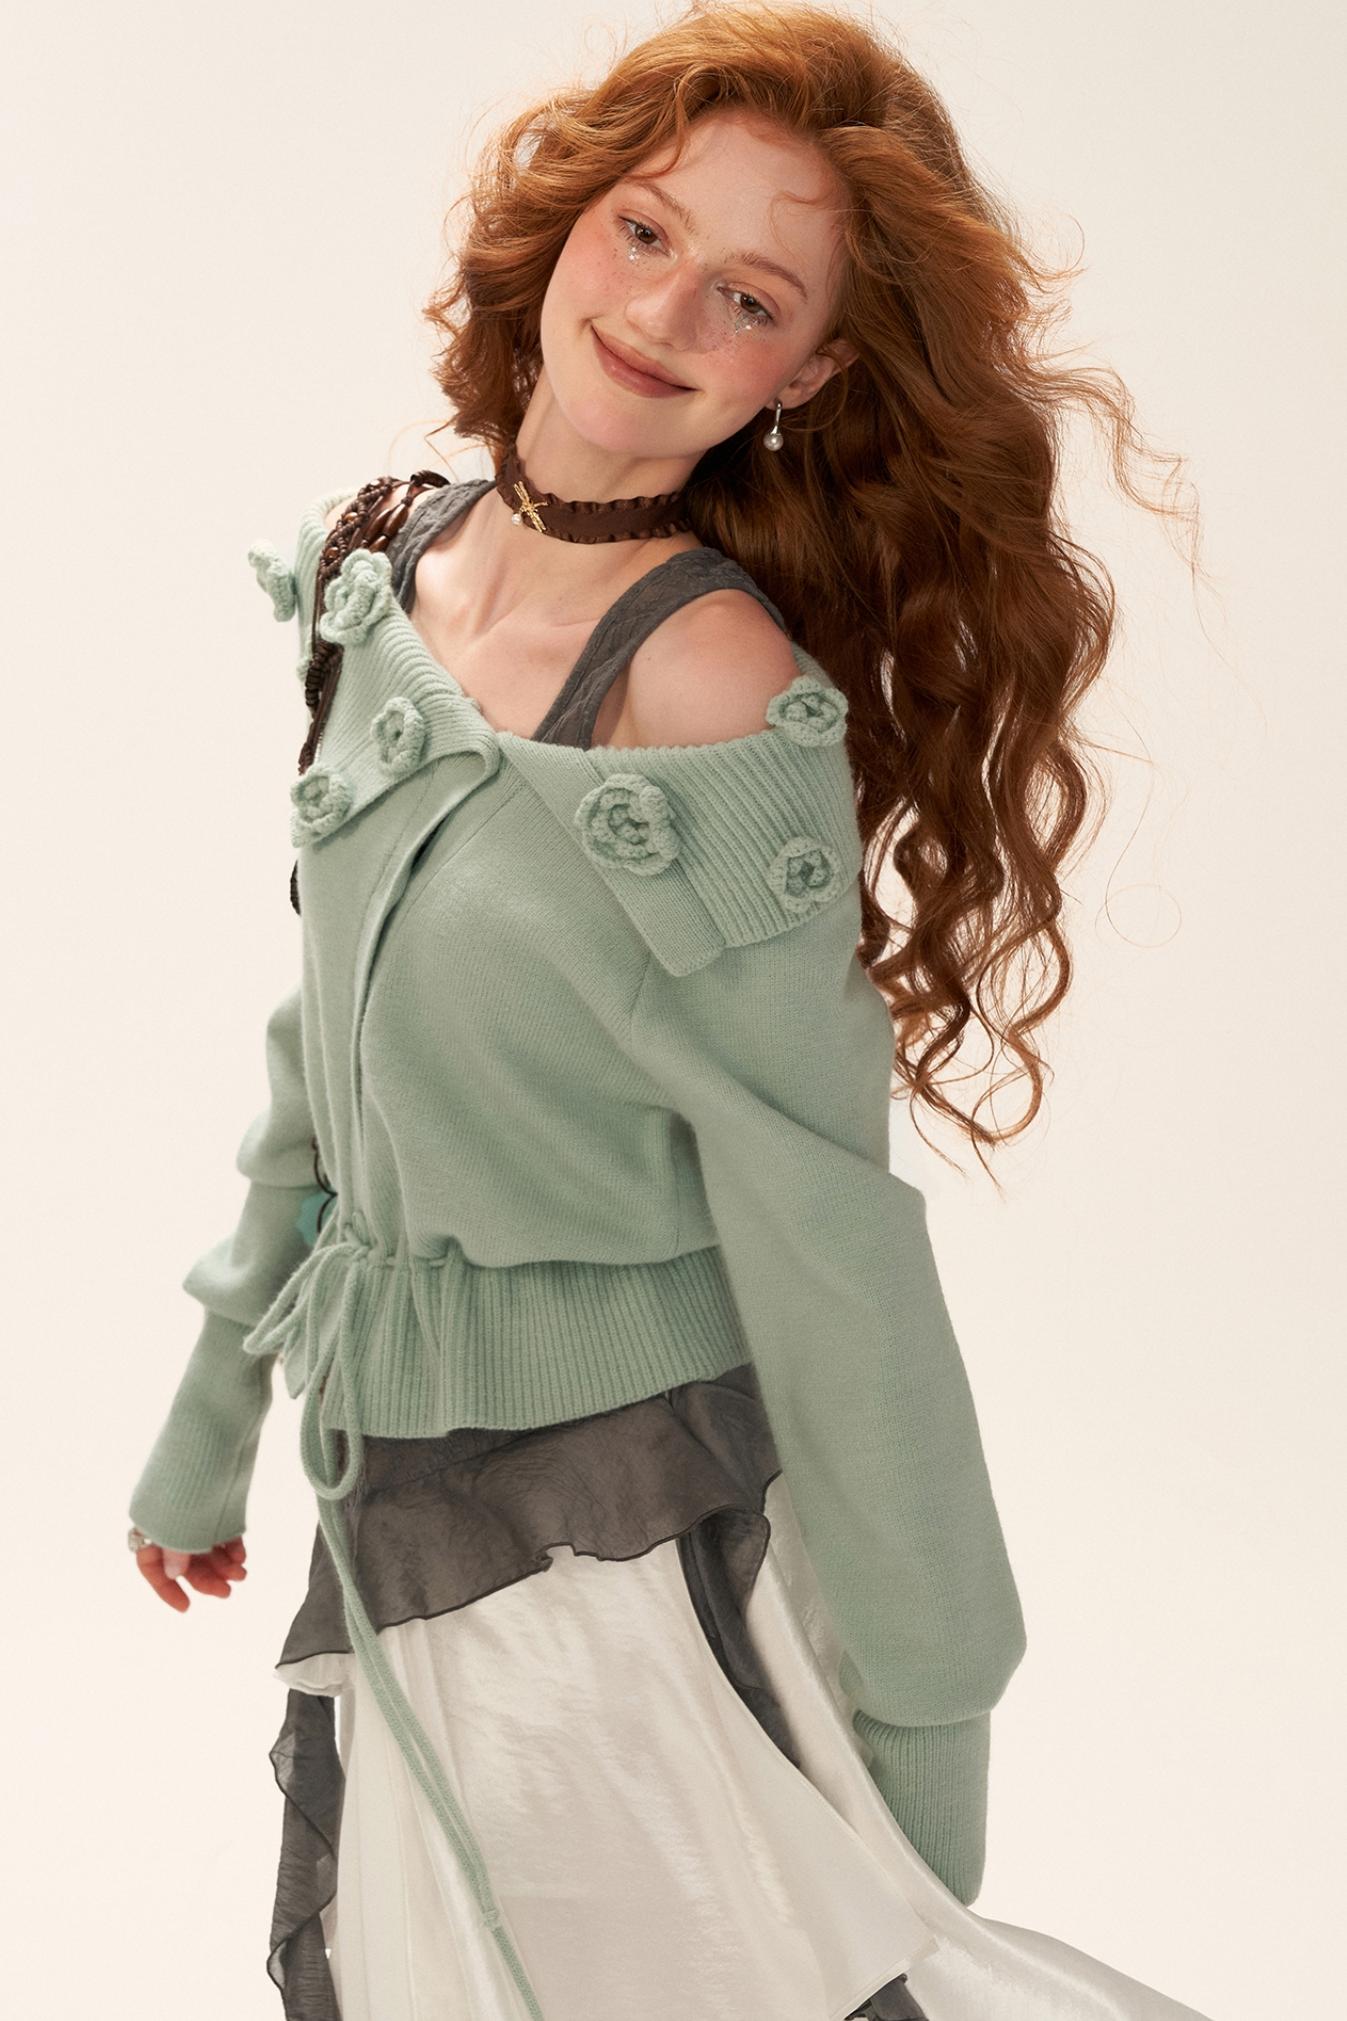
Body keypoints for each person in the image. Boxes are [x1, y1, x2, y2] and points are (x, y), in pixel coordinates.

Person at [127, 6, 1215, 2018]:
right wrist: (214, 1413)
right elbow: (327, 1038)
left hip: (617, 1541)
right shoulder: (384, 569)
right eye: (645, 231)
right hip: (389, 1486)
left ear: (803, 374)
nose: (662, 311)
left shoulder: (713, 696)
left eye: (749, 295)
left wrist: (920, 1729)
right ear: (565, 222)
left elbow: (827, 1233)